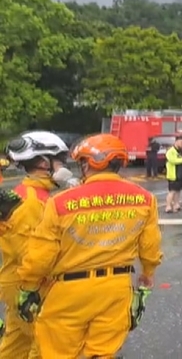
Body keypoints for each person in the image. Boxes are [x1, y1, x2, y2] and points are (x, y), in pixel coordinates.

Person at [16, 133, 163, 359]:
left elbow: (41, 254)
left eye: (82, 162)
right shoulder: (144, 198)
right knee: (103, 353)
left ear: (88, 163)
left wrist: (28, 286)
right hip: (117, 289)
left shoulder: (61, 202)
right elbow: (150, 247)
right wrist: (147, 279)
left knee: (58, 353)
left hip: (69, 291)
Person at [0, 131, 78, 358]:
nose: (64, 166)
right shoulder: (32, 201)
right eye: (60, 161)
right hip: (28, 286)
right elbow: (30, 254)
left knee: (16, 347)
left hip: (22, 284)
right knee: (45, 346)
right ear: (44, 162)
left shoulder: (39, 195)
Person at [164, 137, 182, 213]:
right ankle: (168, 206)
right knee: (172, 191)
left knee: (178, 190)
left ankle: (176, 205)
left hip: (180, 174)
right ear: (176, 142)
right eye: (180, 142)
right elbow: (173, 161)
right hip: (173, 174)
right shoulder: (170, 151)